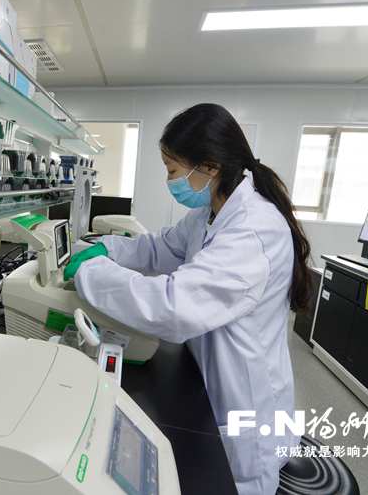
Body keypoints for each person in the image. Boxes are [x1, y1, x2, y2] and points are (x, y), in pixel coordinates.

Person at [64, 103, 311, 495]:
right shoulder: (212, 212)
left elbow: (174, 306)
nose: (170, 180)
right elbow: (161, 248)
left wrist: (90, 274)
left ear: (209, 167)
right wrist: (107, 249)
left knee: (227, 483)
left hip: (241, 401)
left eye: (172, 170)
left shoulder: (253, 230)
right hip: (208, 378)